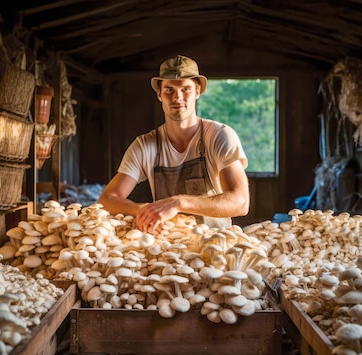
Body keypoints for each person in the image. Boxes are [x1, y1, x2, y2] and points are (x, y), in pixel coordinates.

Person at [98, 55, 250, 234]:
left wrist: (179, 203)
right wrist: (142, 210)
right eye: (169, 90)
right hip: (168, 252)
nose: (177, 97)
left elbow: (240, 202)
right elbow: (107, 199)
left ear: (197, 91)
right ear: (159, 94)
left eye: (185, 89)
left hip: (217, 245)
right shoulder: (145, 146)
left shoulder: (219, 136)